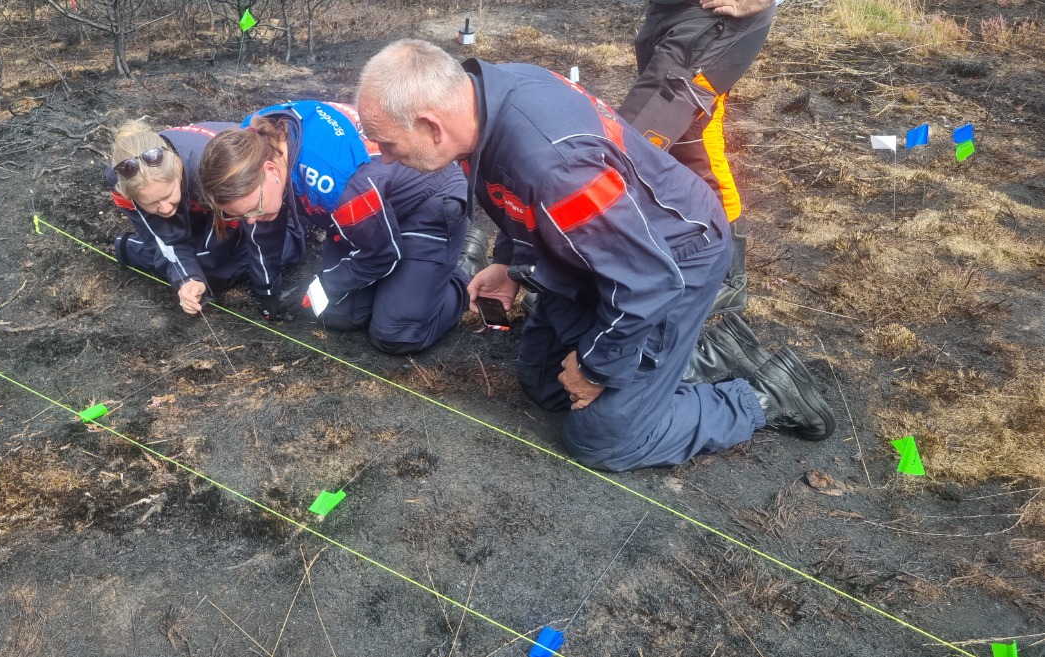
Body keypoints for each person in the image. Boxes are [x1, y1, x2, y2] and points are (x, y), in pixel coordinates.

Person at [356, 39, 835, 471]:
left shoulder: (558, 169)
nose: (388, 158)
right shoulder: (485, 94)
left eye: (390, 144)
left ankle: (765, 396)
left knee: (602, 438)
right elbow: (514, 192)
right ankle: (699, 358)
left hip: (672, 258)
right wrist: (509, 264)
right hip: (603, 252)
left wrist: (594, 368)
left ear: (432, 126)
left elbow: (648, 281)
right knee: (545, 385)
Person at [198, 100, 488, 355]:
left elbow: (381, 254)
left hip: (426, 202)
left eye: (254, 210)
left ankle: (463, 269)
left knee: (396, 334)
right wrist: (266, 291)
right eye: (242, 216)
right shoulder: (252, 143)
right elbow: (264, 227)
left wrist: (324, 283)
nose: (250, 221)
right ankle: (410, 281)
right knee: (335, 313)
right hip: (368, 211)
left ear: (271, 170)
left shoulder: (336, 184)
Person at [617, 0, 779, 315]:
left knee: (634, 146)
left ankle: (727, 278)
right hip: (667, 13)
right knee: (683, 141)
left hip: (714, 22)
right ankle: (687, 256)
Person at [106, 119, 302, 315]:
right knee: (202, 268)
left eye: (168, 195)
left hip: (242, 203)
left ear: (177, 168)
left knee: (281, 249)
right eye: (150, 203)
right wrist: (189, 279)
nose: (165, 209)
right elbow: (165, 239)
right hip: (201, 207)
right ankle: (146, 249)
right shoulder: (123, 181)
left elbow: (260, 228)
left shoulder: (211, 174)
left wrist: (267, 291)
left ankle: (136, 249)